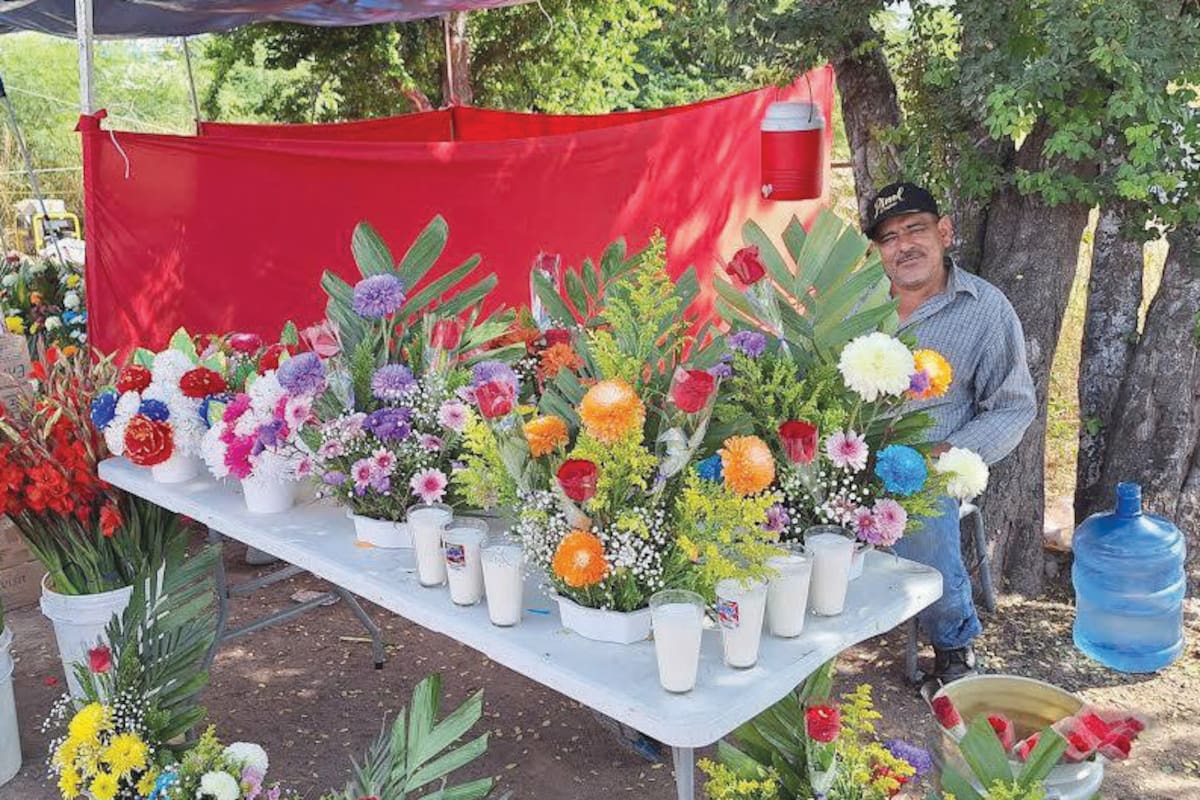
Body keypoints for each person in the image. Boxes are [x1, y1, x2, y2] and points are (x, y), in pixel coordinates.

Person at [863, 181, 1037, 684]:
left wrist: (953, 453)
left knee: (919, 504)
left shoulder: (985, 308)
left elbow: (1012, 407)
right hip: (849, 453)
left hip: (928, 464)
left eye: (916, 228)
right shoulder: (858, 303)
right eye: (889, 237)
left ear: (944, 231)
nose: (904, 245)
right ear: (878, 251)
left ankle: (953, 642)